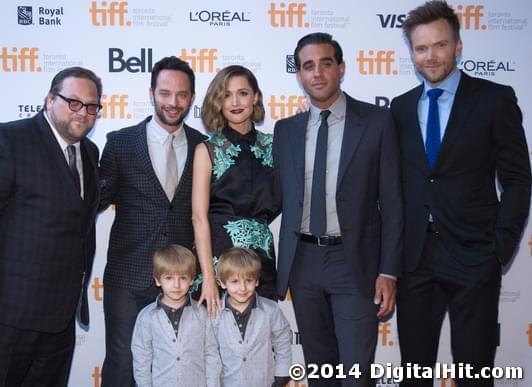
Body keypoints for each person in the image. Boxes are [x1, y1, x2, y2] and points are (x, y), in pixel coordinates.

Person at [390, 2, 531, 386]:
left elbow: (518, 179)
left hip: (474, 255)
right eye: (421, 48)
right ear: (412, 53)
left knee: (474, 374)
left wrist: (499, 248)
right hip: (415, 258)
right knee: (414, 375)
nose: (430, 56)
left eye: (439, 45)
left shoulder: (494, 99)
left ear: (458, 46)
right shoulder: (400, 108)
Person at [0, 66, 102, 386]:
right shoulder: (6, 139)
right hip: (0, 313)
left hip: (58, 317)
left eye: (92, 106)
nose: (83, 112)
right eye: (73, 102)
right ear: (49, 100)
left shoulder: (89, 153)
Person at [274, 32, 403, 386]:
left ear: (341, 68)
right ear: (299, 75)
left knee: (357, 374)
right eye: (308, 66)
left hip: (354, 262)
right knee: (320, 370)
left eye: (325, 63)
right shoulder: (286, 130)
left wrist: (389, 271)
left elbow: (393, 203)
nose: (317, 73)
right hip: (302, 262)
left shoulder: (377, 122)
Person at [98, 56, 206, 387]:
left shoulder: (204, 146)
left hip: (182, 280)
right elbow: (94, 200)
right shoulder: (120, 142)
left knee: (179, 367)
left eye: (182, 94)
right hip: (128, 275)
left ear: (192, 97)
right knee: (123, 364)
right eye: (165, 93)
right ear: (151, 93)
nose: (173, 102)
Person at [192, 65, 279, 314]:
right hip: (220, 261)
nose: (235, 102)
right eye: (226, 95)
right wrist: (209, 277)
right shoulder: (206, 150)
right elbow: (199, 218)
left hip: (262, 260)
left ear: (256, 97)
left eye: (242, 93)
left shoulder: (275, 146)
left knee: (260, 343)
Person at [131, 244, 220, 387]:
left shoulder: (202, 314)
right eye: (169, 278)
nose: (176, 285)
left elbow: (211, 354)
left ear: (191, 280)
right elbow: (141, 359)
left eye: (183, 278)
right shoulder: (147, 317)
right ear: (158, 280)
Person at [212, 247, 291, 387]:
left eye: (248, 280)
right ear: (223, 283)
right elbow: (210, 353)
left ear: (257, 281)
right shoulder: (214, 314)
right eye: (235, 281)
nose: (242, 288)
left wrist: (281, 375)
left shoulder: (271, 310)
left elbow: (282, 340)